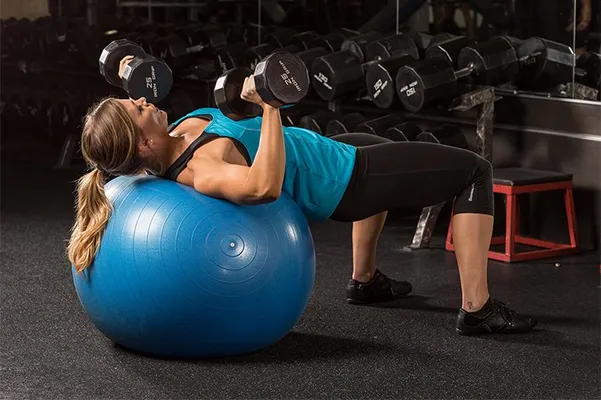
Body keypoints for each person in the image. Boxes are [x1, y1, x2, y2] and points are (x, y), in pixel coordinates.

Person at [67, 56, 537, 335]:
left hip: (329, 155)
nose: (144, 100)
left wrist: (128, 63)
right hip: (345, 182)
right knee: (475, 170)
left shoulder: (171, 134)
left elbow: (150, 100)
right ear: (142, 145)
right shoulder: (202, 167)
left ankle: (365, 281)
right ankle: (478, 309)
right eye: (137, 107)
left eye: (136, 97)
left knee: (377, 144)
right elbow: (263, 186)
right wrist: (270, 103)